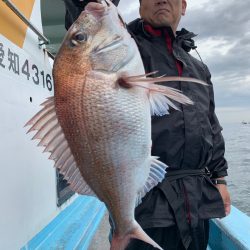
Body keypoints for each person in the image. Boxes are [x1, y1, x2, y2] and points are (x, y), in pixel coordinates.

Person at [63, 0, 231, 249]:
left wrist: (220, 179)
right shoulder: (128, 47)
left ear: (183, 6)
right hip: (146, 203)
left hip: (198, 203)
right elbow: (85, 24)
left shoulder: (198, 67)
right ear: (140, 6)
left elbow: (212, 125)